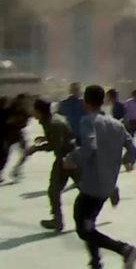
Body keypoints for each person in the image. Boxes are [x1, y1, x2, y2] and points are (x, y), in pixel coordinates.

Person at [65, 85, 136, 269]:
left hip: (92, 185)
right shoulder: (116, 124)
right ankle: (95, 262)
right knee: (88, 224)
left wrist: (71, 159)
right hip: (107, 185)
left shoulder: (88, 121)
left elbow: (90, 147)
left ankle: (124, 249)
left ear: (86, 101)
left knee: (83, 229)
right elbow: (132, 147)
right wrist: (127, 160)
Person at [26, 98, 77, 231]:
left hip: (67, 158)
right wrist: (44, 139)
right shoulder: (51, 120)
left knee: (54, 190)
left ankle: (58, 221)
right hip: (69, 157)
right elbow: (58, 138)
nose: (33, 113)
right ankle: (57, 220)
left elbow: (57, 144)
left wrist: (36, 148)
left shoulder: (53, 123)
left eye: (34, 110)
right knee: (86, 186)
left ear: (40, 111)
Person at [1, 94, 31, 180]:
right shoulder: (11, 110)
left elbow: (24, 123)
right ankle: (16, 170)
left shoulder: (21, 110)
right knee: (5, 155)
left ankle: (16, 170)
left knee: (24, 152)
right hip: (10, 135)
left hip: (15, 134)